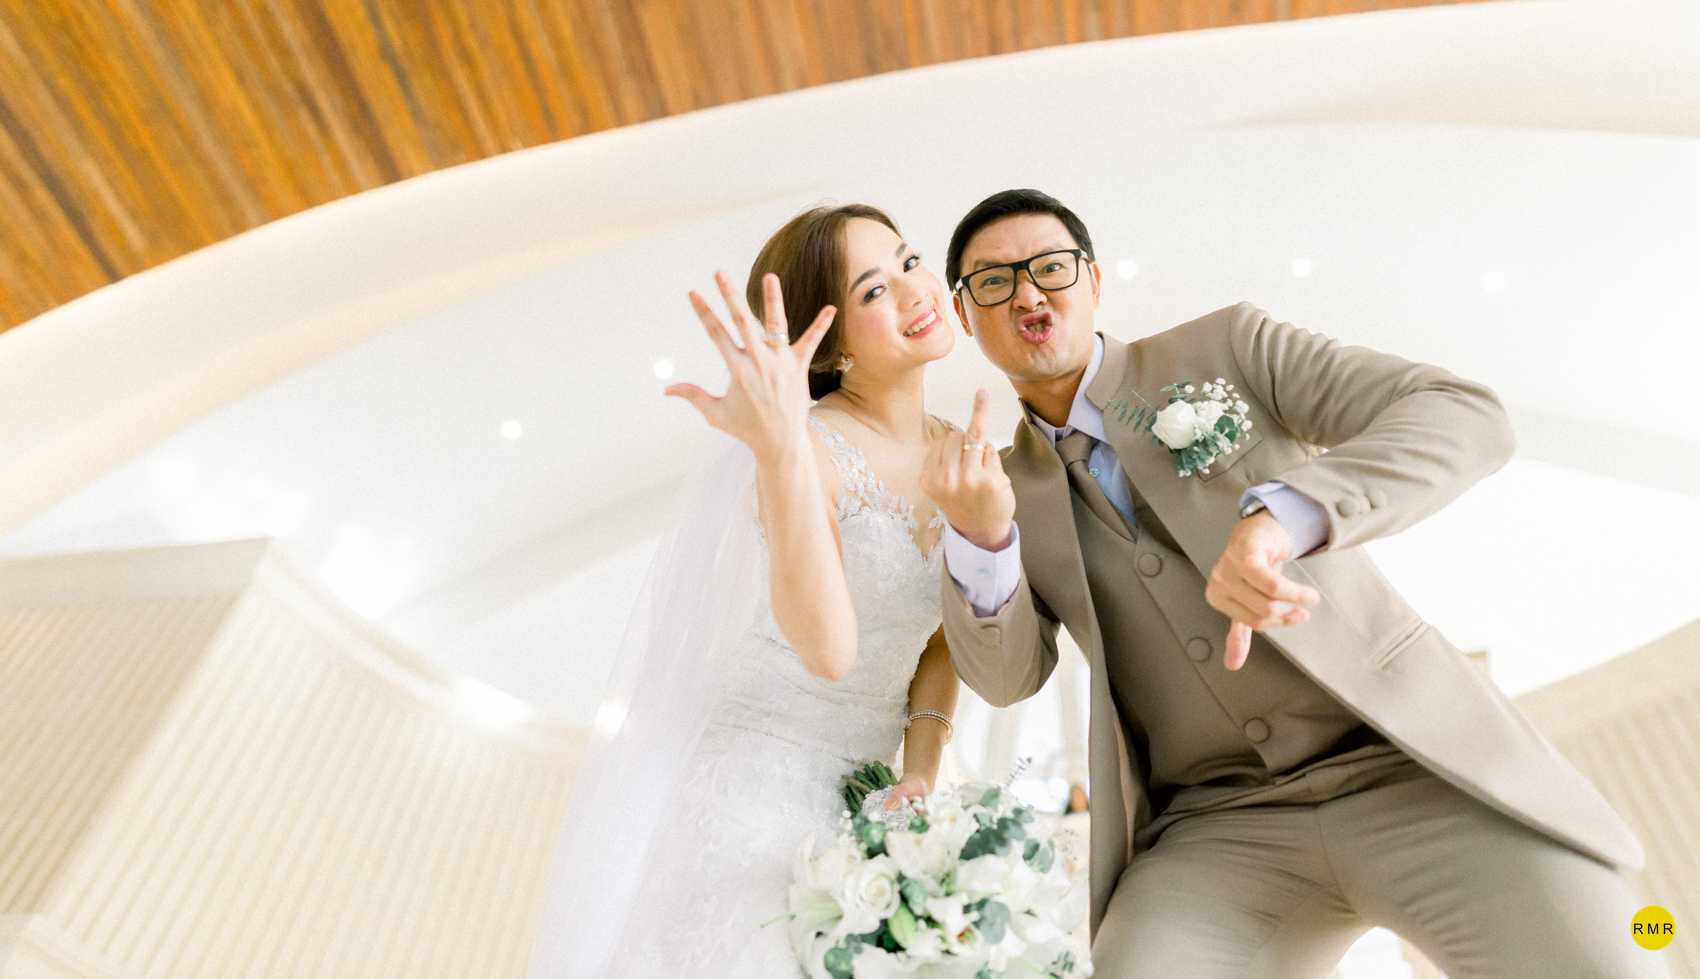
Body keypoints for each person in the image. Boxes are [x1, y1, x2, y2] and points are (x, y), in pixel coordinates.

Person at [921, 188, 1664, 978]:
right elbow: (1005, 679)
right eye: (993, 282)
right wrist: (983, 538)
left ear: (1094, 281)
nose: (1028, 294)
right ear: (965, 315)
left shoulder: (1228, 347)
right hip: (1217, 828)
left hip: (1410, 764)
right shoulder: (999, 490)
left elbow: (1463, 414)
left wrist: (1289, 515)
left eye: (1051, 267)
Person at [526, 204, 962, 978]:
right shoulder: (802, 450)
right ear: (830, 343)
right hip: (752, 794)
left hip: (871, 804)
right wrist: (783, 448)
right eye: (872, 290)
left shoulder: (964, 453)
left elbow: (942, 640)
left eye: (909, 260)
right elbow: (828, 649)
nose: (913, 289)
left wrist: (920, 771)